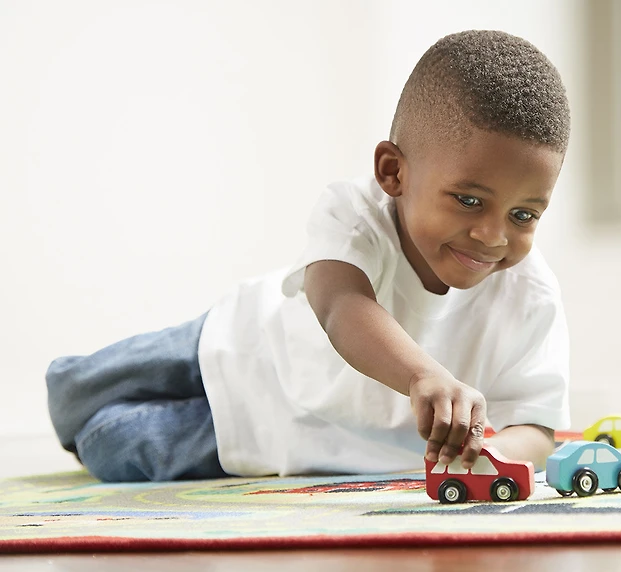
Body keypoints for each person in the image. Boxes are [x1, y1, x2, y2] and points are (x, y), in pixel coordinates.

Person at [45, 29, 572, 482]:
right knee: (74, 397)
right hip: (244, 345)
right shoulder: (357, 212)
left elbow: (539, 426)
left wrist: (492, 452)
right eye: (469, 200)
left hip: (286, 436)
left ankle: (107, 435)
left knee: (108, 442)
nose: (493, 236)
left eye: (524, 215)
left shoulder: (531, 297)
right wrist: (421, 375)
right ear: (393, 172)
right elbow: (342, 305)